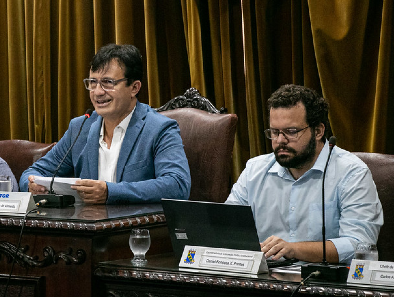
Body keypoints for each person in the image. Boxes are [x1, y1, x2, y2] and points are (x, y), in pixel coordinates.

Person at [225, 84, 383, 264]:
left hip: (324, 285)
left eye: (291, 132)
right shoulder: (255, 170)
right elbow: (226, 228)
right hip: (264, 281)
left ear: (318, 131)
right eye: (275, 132)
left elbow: (359, 245)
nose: (280, 141)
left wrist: (294, 249)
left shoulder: (352, 173)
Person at [20, 44, 191, 204]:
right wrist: (32, 185)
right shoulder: (81, 127)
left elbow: (177, 185)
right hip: (87, 229)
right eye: (93, 82)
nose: (98, 92)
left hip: (136, 230)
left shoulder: (159, 128)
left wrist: (110, 192)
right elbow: (31, 173)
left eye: (108, 83)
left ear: (134, 88)